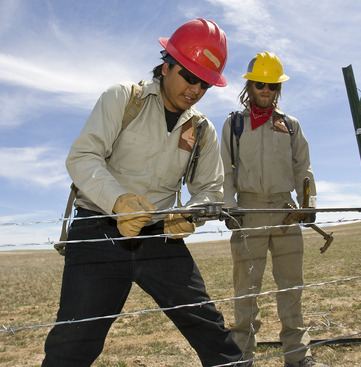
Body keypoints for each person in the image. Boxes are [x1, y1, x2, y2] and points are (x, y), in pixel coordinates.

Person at [42, 18, 242, 367]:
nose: (195, 90)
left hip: (161, 237)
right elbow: (83, 156)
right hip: (98, 230)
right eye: (189, 77)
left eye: (205, 84)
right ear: (166, 66)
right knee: (74, 342)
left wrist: (190, 214)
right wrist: (118, 201)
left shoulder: (202, 129)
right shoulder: (122, 98)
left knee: (210, 329)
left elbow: (210, 188)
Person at [220, 52, 328, 367]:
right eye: (259, 84)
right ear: (249, 86)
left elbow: (303, 169)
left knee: (292, 287)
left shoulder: (291, 126)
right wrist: (230, 207)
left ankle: (298, 356)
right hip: (249, 211)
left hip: (285, 212)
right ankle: (242, 357)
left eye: (271, 85)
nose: (265, 90)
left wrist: (308, 206)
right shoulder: (234, 123)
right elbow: (225, 169)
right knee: (246, 290)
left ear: (277, 88)